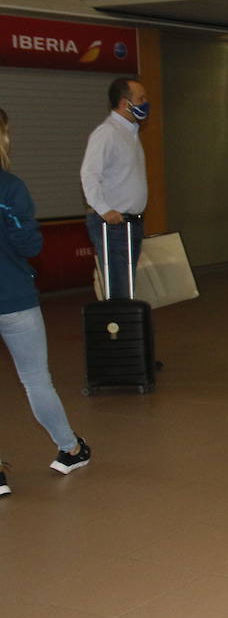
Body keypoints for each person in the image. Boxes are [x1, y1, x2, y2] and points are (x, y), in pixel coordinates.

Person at [1, 108, 91, 497]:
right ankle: (70, 448)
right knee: (36, 379)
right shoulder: (10, 187)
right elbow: (30, 243)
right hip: (14, 297)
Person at [80, 77, 149, 299]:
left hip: (131, 223)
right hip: (114, 224)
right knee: (119, 289)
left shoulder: (130, 133)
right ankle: (118, 331)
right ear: (124, 103)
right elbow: (89, 174)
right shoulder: (107, 133)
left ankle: (126, 329)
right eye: (141, 98)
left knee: (127, 288)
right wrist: (104, 209)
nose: (146, 102)